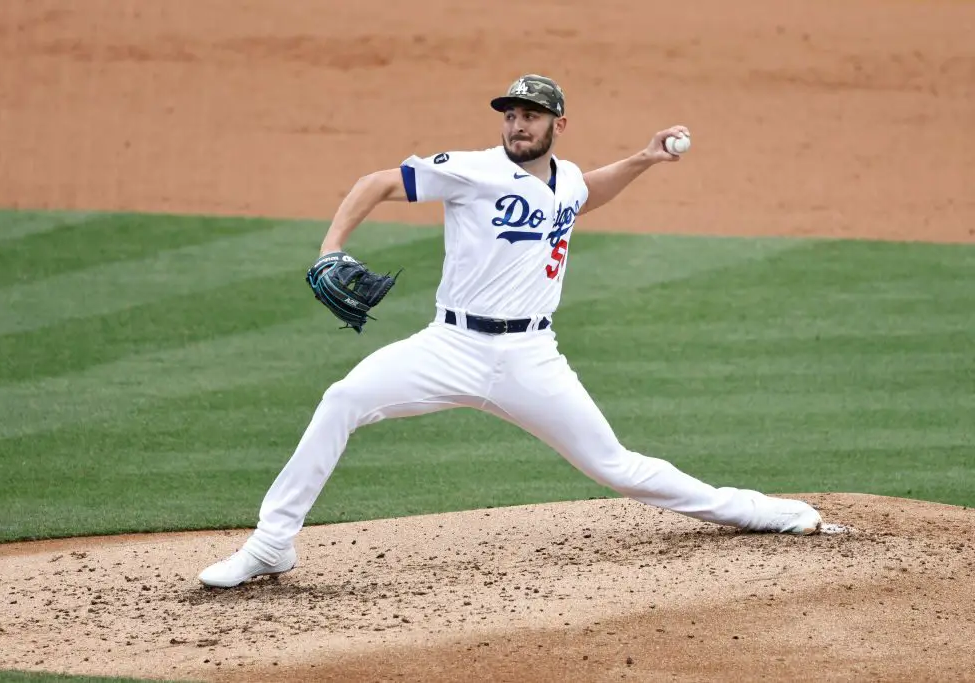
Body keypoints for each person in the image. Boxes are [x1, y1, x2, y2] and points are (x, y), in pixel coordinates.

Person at [198, 74, 823, 588]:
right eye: (510, 114)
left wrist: (642, 159)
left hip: (531, 358)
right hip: (450, 346)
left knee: (617, 467)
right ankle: (272, 544)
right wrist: (329, 248)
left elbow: (581, 196)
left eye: (532, 115)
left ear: (558, 124)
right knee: (342, 400)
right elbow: (376, 183)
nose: (518, 124)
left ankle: (758, 511)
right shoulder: (471, 171)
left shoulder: (567, 177)